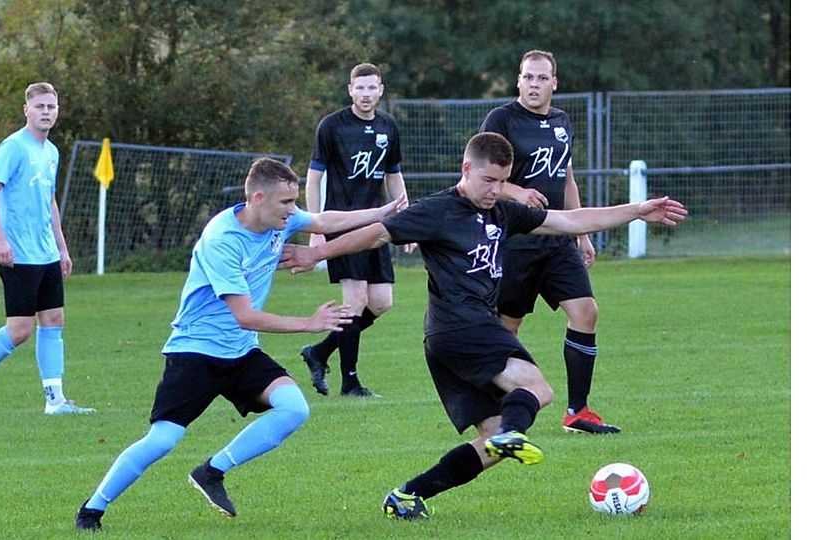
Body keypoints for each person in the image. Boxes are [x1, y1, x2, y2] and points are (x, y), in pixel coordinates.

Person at [280, 132, 686, 519]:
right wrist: (317, 254)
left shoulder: (503, 212)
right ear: (466, 169)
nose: (496, 189)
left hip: (447, 338)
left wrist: (636, 211)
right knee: (537, 389)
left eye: (503, 181)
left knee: (491, 439)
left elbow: (569, 221)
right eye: (489, 180)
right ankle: (514, 431)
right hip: (463, 325)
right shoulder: (437, 210)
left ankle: (407, 495)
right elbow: (375, 234)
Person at [74, 158, 407, 530]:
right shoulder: (223, 240)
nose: (292, 210)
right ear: (258, 198)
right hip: (196, 352)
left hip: (241, 351)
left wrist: (383, 212)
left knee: (293, 408)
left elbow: (325, 221)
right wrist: (308, 324)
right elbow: (245, 315)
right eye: (286, 202)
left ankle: (212, 471)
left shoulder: (280, 219)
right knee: (163, 439)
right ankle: (91, 510)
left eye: (294, 202)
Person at [480, 49, 618, 434]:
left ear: (554, 83)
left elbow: (567, 179)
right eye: (528, 77)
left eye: (542, 78)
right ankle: (497, 413)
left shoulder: (561, 122)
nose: (534, 84)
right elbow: (479, 174)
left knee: (586, 312)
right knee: (507, 328)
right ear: (518, 81)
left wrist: (581, 234)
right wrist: (517, 192)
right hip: (515, 242)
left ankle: (578, 412)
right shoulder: (502, 119)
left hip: (557, 240)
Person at [0, 82, 94, 417]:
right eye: (40, 106)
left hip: (46, 253)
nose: (46, 112)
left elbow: (49, 201)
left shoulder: (51, 151)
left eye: (51, 107)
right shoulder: (13, 147)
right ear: (26, 109)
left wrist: (62, 248)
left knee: (54, 319)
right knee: (19, 331)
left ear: (57, 111)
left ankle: (55, 401)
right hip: (19, 253)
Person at [299, 62, 413, 398]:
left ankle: (319, 351)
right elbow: (314, 178)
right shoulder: (332, 126)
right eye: (359, 88)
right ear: (350, 90)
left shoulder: (388, 126)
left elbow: (393, 176)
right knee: (356, 300)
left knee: (381, 302)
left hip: (376, 226)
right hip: (341, 225)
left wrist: (406, 220)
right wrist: (315, 225)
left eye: (371, 87)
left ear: (381, 90)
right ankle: (350, 383)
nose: (365, 94)